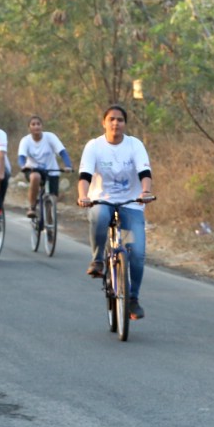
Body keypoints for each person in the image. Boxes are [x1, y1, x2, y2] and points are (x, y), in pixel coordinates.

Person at [77, 104, 155, 320]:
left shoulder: (134, 145)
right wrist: (84, 196)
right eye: (111, 119)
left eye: (120, 119)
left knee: (137, 253)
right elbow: (84, 176)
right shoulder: (94, 146)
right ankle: (98, 261)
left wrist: (146, 191)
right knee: (101, 216)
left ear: (125, 124)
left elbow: (145, 172)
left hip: (131, 203)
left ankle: (133, 300)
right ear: (104, 122)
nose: (115, 123)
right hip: (102, 200)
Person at [17, 115, 72, 218]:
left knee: (52, 200)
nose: (36, 126)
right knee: (35, 177)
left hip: (51, 170)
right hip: (32, 169)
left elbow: (62, 152)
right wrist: (23, 166)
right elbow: (21, 157)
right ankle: (32, 207)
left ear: (42, 126)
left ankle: (50, 226)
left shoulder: (50, 137)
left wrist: (68, 165)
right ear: (29, 127)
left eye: (38, 124)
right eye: (33, 124)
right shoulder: (25, 141)